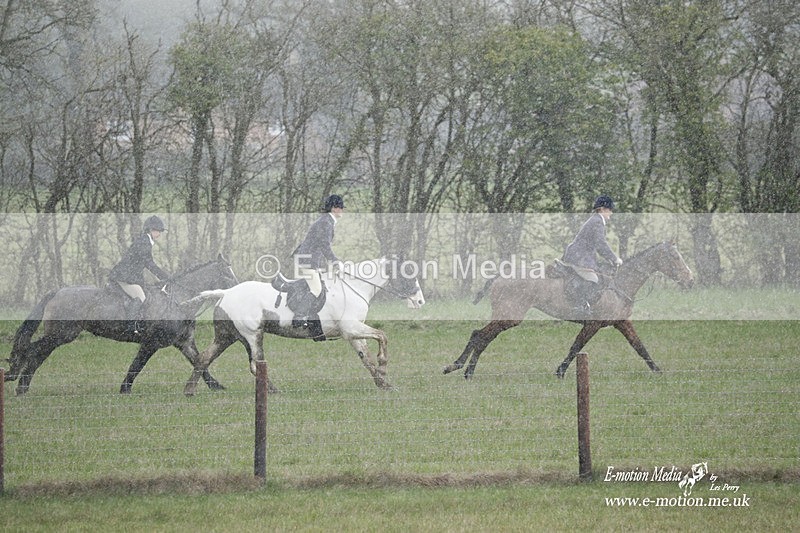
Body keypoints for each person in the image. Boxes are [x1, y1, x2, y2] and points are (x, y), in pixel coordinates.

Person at [290, 194, 345, 338]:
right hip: (307, 261)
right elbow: (324, 245)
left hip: (310, 260)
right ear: (334, 208)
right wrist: (335, 261)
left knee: (320, 288)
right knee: (316, 289)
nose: (342, 210)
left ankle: (312, 320)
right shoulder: (326, 222)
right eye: (340, 207)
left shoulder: (326, 221)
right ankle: (299, 317)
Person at [561, 195, 623, 315]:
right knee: (592, 279)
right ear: (602, 209)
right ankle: (580, 306)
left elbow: (598, 245)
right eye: (609, 210)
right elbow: (600, 244)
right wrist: (614, 258)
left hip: (583, 256)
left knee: (599, 275)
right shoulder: (597, 222)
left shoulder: (596, 220)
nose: (611, 212)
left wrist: (609, 259)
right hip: (579, 257)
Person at [109, 215, 171, 334]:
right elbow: (149, 264)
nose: (159, 234)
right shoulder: (144, 242)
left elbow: (143, 264)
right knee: (140, 297)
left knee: (143, 292)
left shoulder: (145, 240)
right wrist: (165, 277)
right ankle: (130, 327)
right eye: (158, 231)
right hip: (124, 277)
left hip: (128, 275)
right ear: (151, 230)